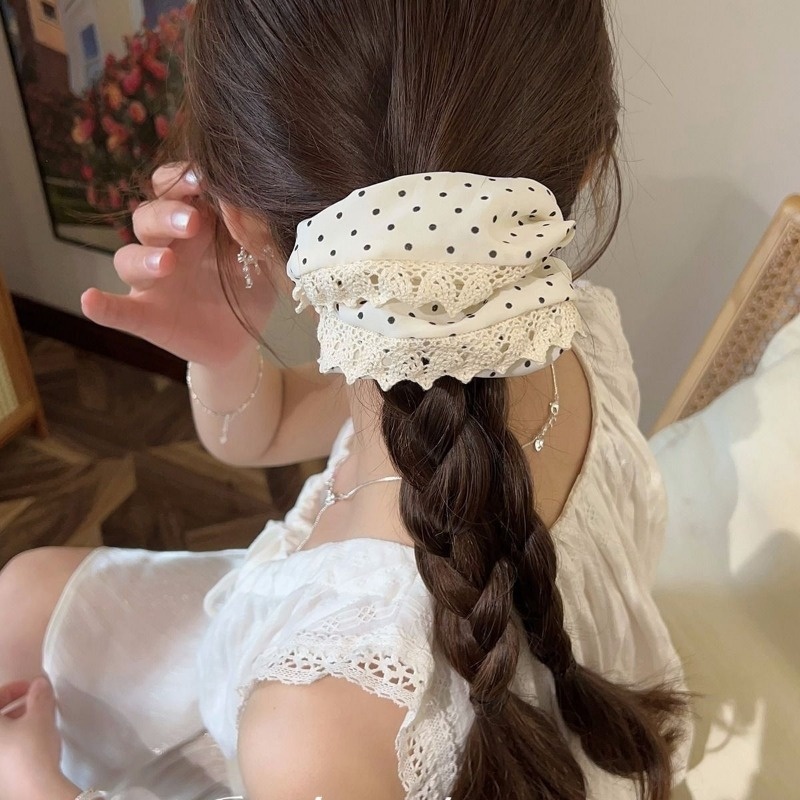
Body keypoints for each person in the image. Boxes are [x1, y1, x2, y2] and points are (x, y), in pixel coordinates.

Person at [0, 1, 694, 798]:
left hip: (334, 734)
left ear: (238, 218)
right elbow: (259, 429)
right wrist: (222, 351)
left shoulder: (312, 729)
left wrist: (34, 785)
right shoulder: (570, 333)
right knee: (23, 593)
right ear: (592, 160)